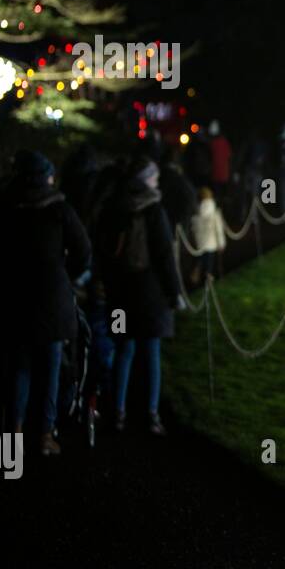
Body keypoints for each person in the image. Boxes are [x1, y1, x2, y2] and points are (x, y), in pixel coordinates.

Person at [0, 150, 91, 455]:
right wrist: (67, 276)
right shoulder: (60, 209)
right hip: (53, 300)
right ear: (46, 176)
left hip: (13, 298)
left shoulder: (1, 208)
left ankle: (13, 432)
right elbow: (83, 250)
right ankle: (45, 435)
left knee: (19, 367)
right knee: (51, 367)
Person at [97, 156, 183, 435]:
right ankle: (151, 414)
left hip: (120, 291)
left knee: (124, 349)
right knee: (151, 352)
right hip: (150, 292)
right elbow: (164, 255)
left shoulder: (113, 206)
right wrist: (174, 293)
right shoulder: (154, 210)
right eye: (154, 177)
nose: (157, 182)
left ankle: (118, 412)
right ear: (146, 180)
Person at [189, 187, 226, 285]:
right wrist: (221, 244)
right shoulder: (214, 212)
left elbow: (193, 227)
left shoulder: (196, 210)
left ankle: (196, 270)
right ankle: (208, 278)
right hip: (211, 242)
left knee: (200, 257)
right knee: (209, 261)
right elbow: (218, 229)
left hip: (200, 241)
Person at [207, 120, 233, 198]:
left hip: (217, 174)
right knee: (223, 195)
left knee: (217, 195)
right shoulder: (224, 142)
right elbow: (229, 156)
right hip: (223, 175)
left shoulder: (212, 143)